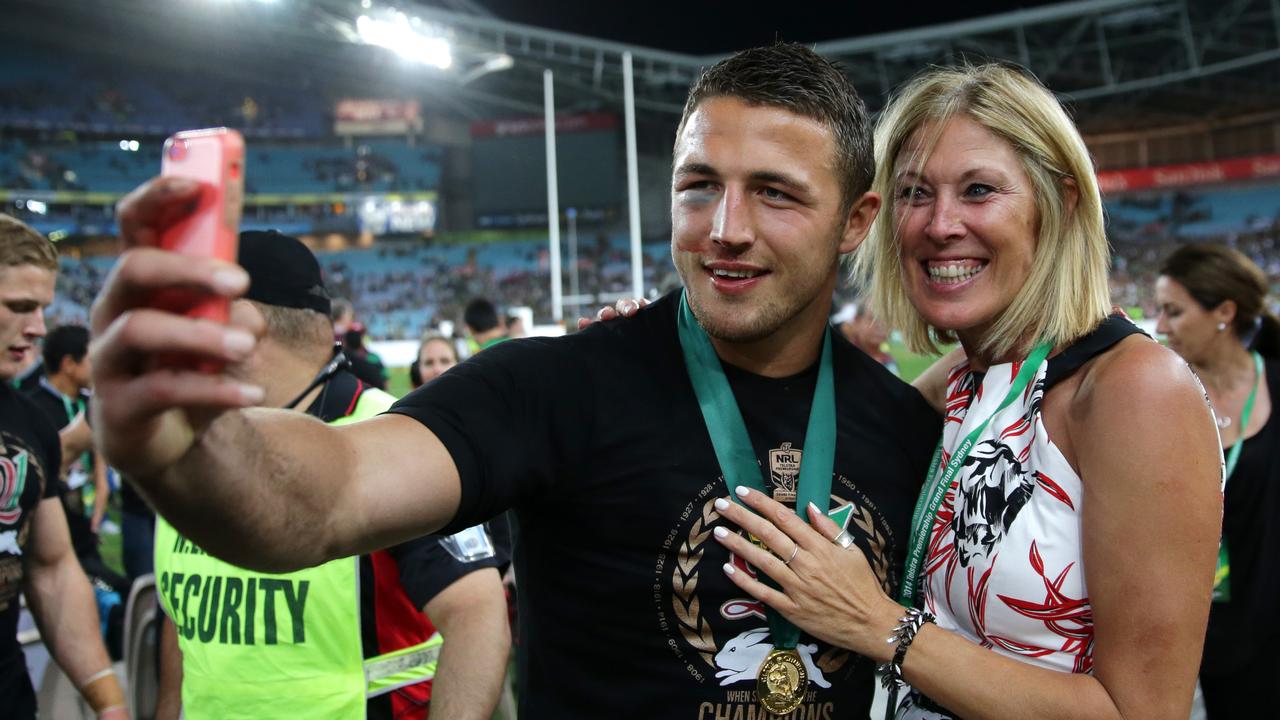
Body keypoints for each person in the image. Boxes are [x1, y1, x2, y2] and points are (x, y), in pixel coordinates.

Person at [90, 44, 941, 718]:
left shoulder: (905, 431)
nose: (725, 229)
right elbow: (325, 496)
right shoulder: (558, 388)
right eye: (698, 187)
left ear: (856, 221)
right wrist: (189, 444)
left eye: (775, 195)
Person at [704, 64, 1223, 720]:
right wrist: (670, 350)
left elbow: (1142, 712)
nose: (939, 223)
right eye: (914, 193)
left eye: (978, 190)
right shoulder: (962, 384)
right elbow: (780, 427)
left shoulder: (1133, 390)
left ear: (1058, 203)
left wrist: (880, 625)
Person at [152, 230, 511, 720]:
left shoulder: (394, 433)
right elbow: (182, 623)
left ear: (241, 323)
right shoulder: (191, 437)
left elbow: (476, 612)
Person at [0, 214, 126, 719]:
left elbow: (51, 569)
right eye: (19, 307)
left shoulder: (28, 422)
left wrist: (109, 701)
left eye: (42, 309)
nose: (37, 328)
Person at [1155, 243, 1280, 718]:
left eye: (1174, 311)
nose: (1161, 326)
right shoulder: (1160, 401)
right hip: (1203, 635)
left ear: (1223, 312)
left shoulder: (1275, 383)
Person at [832, 302, 899, 375]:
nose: (880, 326)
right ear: (857, 321)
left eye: (886, 320)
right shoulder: (843, 358)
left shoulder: (890, 362)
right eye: (872, 319)